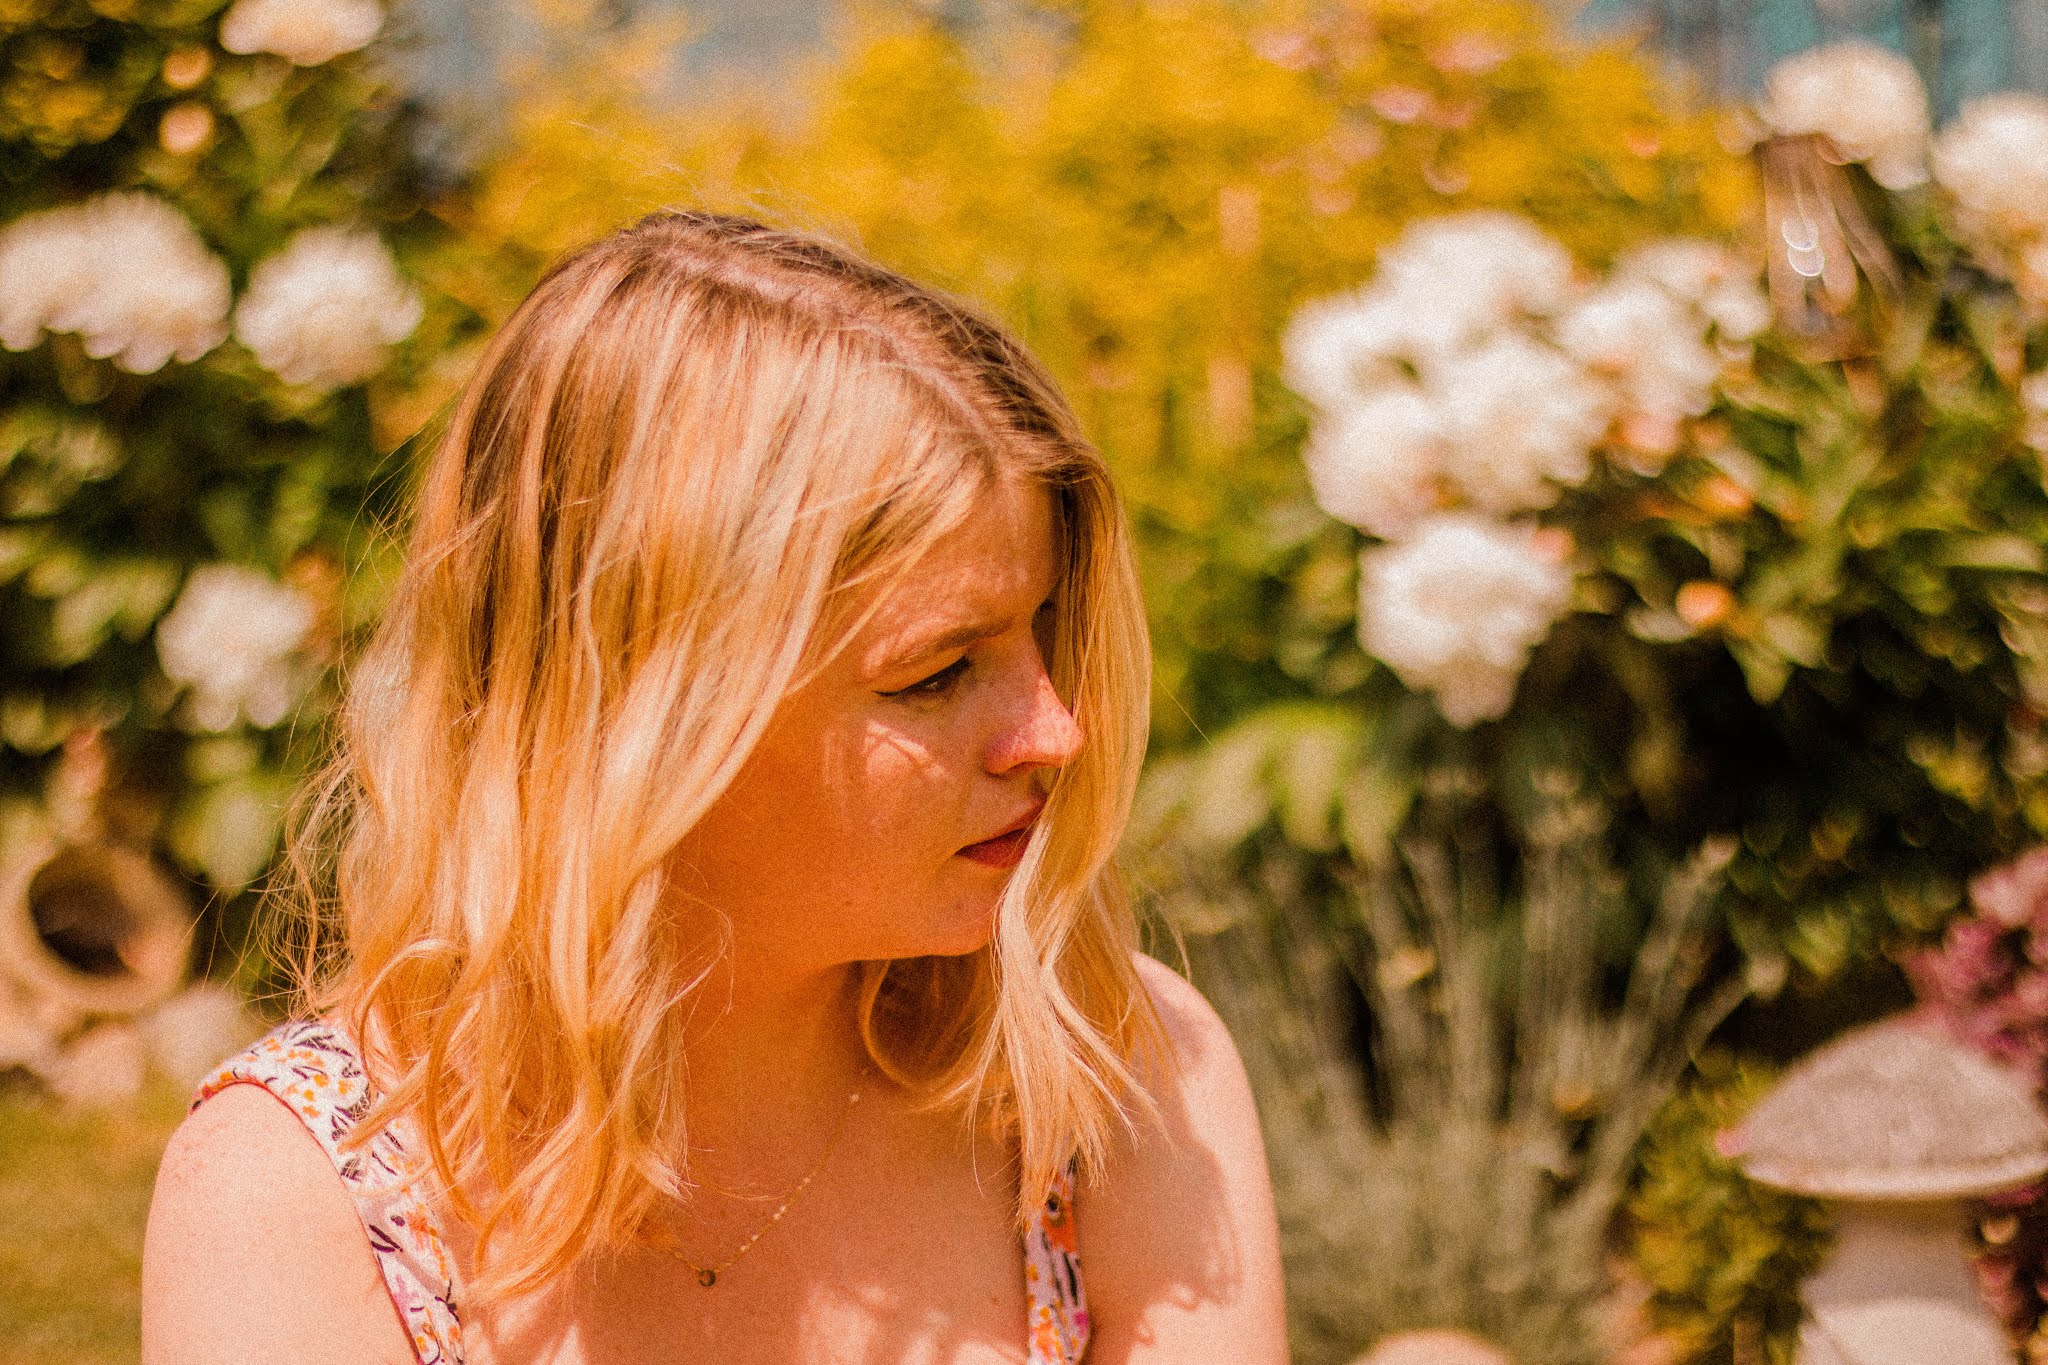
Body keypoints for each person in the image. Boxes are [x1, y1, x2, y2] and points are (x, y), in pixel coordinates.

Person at [140, 210, 1287, 1365]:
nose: (1055, 732)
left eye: (1044, 634)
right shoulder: (309, 1192)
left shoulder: (1105, 1077)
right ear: (637, 714)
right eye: (937, 672)